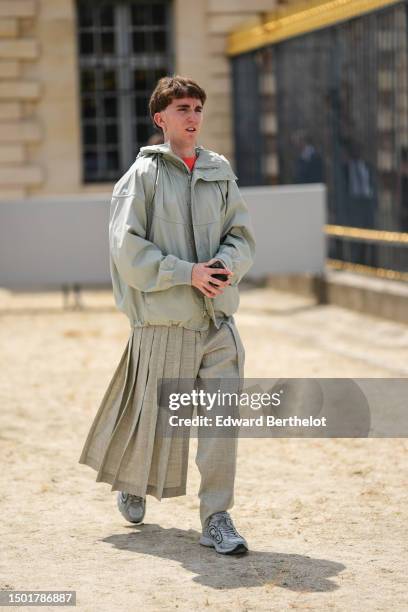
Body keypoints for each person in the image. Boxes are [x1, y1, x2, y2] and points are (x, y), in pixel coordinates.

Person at [78, 75, 256, 555]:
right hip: (164, 323)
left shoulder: (220, 170)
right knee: (153, 424)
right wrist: (186, 273)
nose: (193, 116)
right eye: (182, 108)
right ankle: (133, 482)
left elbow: (242, 236)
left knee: (221, 423)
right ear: (161, 119)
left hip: (218, 321)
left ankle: (216, 517)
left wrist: (226, 266)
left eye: (197, 107)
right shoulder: (140, 178)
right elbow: (127, 252)